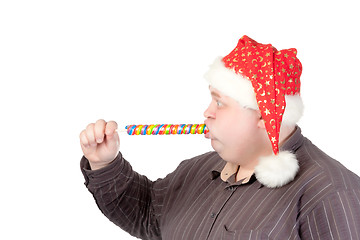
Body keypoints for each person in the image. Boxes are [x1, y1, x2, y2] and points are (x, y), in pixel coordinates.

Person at [79, 35, 360, 239]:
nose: (207, 112)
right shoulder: (197, 170)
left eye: (220, 102)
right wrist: (105, 165)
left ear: (264, 115)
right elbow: (147, 214)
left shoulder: (330, 192)